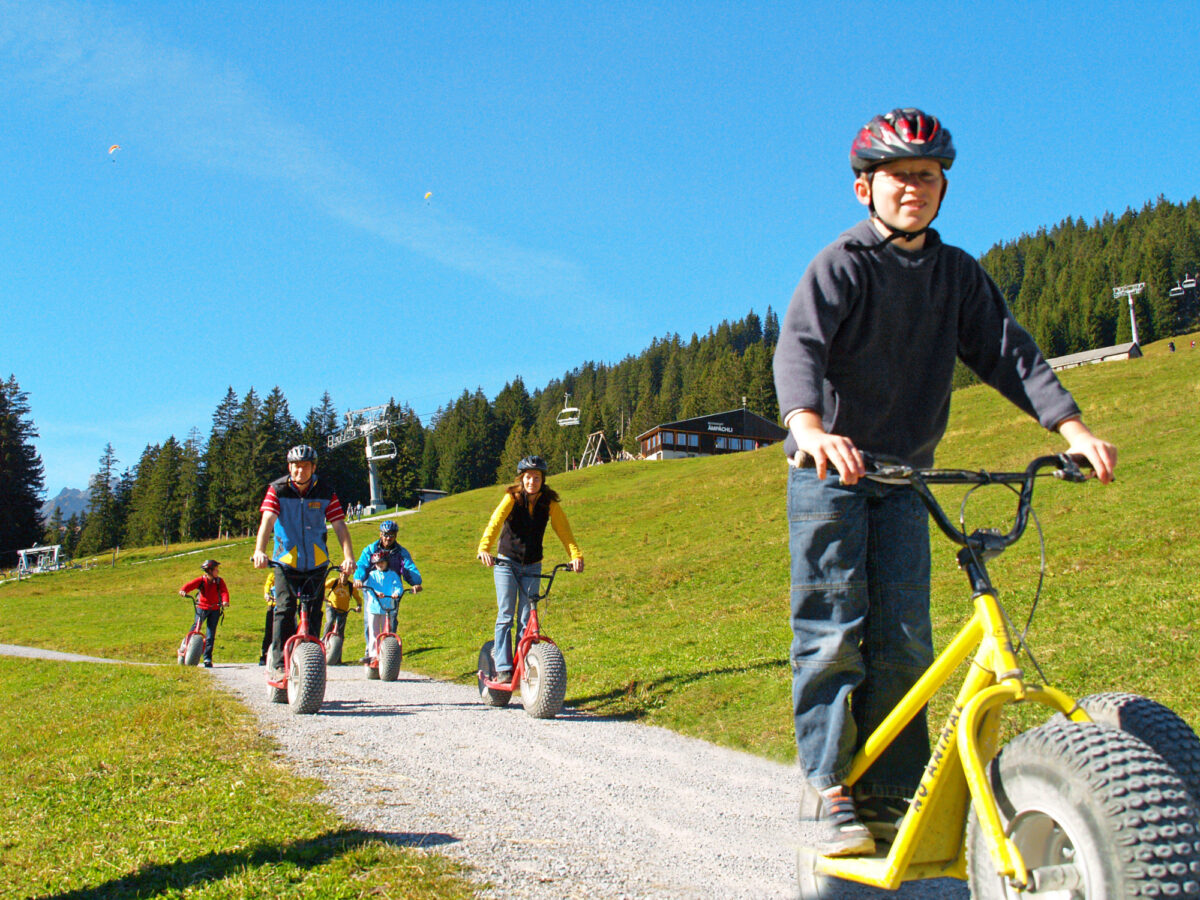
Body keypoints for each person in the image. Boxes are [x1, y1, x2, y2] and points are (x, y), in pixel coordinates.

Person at [772, 108, 1117, 856]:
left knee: (903, 638)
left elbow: (1008, 353)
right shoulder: (843, 264)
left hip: (904, 477)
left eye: (926, 177)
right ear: (865, 188)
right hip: (830, 474)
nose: (912, 189)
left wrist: (1072, 429)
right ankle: (830, 787)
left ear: (942, 188)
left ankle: (891, 794)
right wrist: (806, 426)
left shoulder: (957, 275)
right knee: (835, 632)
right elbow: (799, 346)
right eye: (897, 176)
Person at [476, 455, 585, 683]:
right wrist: (484, 548)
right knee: (506, 615)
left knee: (527, 618)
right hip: (507, 562)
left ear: (542, 480)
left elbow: (564, 531)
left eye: (536, 477)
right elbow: (495, 522)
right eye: (528, 477)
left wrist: (575, 556)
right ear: (521, 479)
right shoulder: (512, 498)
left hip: (533, 564)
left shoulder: (549, 503)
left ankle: (525, 666)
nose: (532, 482)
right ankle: (504, 668)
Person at [251, 444, 355, 680]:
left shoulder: (326, 490)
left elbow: (339, 524)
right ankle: (278, 664)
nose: (300, 471)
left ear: (313, 468)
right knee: (285, 610)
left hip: (317, 563)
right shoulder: (277, 489)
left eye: (305, 466)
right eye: (296, 466)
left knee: (313, 611)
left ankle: (310, 660)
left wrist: (348, 557)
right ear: (290, 467)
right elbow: (267, 520)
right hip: (285, 563)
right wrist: (260, 551)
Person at [353, 519, 422, 663]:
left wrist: (416, 583)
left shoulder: (401, 552)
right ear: (380, 534)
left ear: (395, 535)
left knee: (391, 620)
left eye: (391, 535)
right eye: (385, 534)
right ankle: (370, 650)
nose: (388, 538)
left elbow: (409, 568)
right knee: (370, 621)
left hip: (392, 591)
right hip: (373, 589)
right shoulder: (371, 550)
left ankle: (389, 652)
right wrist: (359, 579)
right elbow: (362, 565)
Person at [178, 559, 229, 668]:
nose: (218, 572)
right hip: (202, 608)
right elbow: (190, 585)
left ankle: (207, 658)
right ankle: (186, 645)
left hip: (215, 608)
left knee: (210, 634)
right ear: (210, 571)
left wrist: (225, 601)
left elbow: (224, 591)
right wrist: (183, 590)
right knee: (196, 627)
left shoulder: (219, 581)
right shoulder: (202, 580)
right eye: (216, 570)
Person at [362, 550, 403, 665]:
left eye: (382, 563)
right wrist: (376, 592)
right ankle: (373, 655)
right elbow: (368, 588)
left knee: (387, 631)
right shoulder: (372, 575)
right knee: (374, 632)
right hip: (374, 608)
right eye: (377, 563)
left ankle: (386, 655)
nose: (380, 565)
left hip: (387, 607)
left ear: (387, 563)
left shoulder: (393, 574)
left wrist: (396, 593)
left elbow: (398, 586)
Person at [323, 568, 362, 664]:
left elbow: (358, 598)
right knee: (330, 620)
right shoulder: (334, 582)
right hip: (331, 607)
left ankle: (338, 658)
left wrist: (359, 606)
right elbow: (322, 587)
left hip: (343, 611)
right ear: (340, 575)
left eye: (346, 575)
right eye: (342, 575)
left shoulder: (350, 586)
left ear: (348, 576)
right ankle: (324, 640)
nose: (344, 577)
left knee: (340, 633)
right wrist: (322, 597)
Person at [259, 570, 275, 666]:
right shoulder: (273, 575)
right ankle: (264, 656)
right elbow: (267, 585)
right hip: (273, 606)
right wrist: (266, 594)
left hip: (287, 606)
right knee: (268, 632)